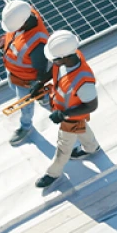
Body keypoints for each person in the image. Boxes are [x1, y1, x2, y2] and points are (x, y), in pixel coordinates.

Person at [34, 30, 101, 188]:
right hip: (68, 113)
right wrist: (40, 81)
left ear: (65, 57)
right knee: (82, 128)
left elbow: (91, 106)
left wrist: (64, 114)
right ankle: (92, 148)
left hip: (70, 117)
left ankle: (53, 173)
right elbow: (55, 70)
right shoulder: (69, 57)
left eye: (55, 59)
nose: (53, 62)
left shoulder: (83, 82)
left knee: (63, 149)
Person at [0, 0, 52, 146]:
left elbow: (43, 71)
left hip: (26, 82)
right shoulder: (23, 13)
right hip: (14, 74)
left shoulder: (37, 44)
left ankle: (26, 127)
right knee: (13, 88)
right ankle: (44, 98)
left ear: (24, 22)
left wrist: (37, 86)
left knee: (25, 107)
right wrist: (4, 40)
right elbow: (15, 34)